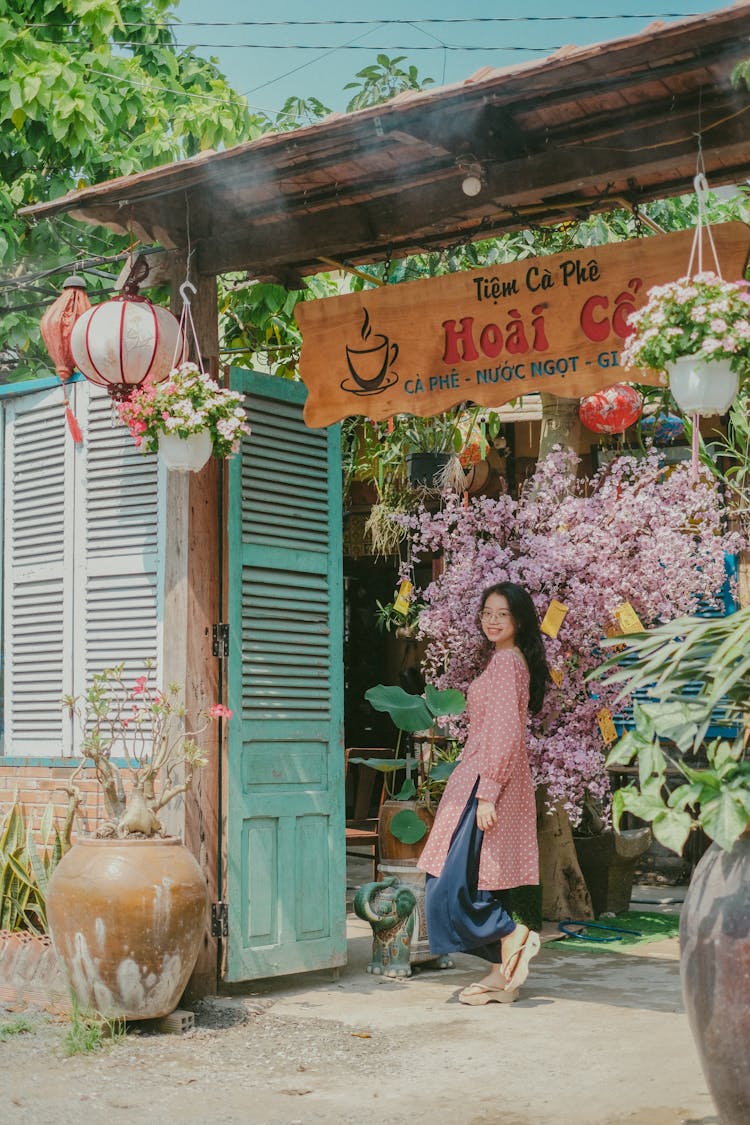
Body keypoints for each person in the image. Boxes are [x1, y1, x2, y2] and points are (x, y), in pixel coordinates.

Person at [417, 581, 550, 1005]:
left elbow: (507, 734)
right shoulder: (502, 663)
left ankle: (513, 935)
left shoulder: (508, 665)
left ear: (519, 621)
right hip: (478, 779)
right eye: (487, 613)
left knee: (448, 884)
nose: (492, 621)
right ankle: (502, 973)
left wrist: (488, 793)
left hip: (487, 783)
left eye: (502, 615)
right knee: (478, 880)